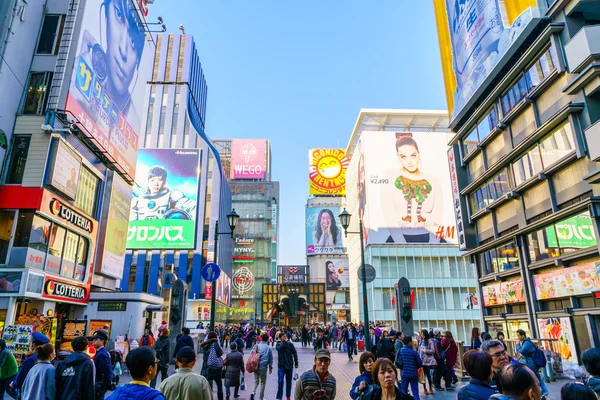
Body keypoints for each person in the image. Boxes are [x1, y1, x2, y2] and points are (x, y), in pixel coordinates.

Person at [131, 165, 197, 221]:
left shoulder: (173, 197)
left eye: (159, 180)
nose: (156, 184)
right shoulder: (137, 201)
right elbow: (131, 224)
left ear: (164, 181)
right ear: (147, 182)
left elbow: (194, 208)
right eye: (152, 180)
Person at [516, 329, 549, 396]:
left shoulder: (527, 343)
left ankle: (542, 392)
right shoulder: (526, 342)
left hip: (531, 365)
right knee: (537, 378)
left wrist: (518, 345)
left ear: (523, 335)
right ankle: (544, 392)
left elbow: (522, 351)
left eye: (519, 335)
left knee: (535, 379)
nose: (518, 337)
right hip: (530, 364)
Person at [201, 331, 225, 400]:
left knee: (206, 386)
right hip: (216, 369)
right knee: (219, 386)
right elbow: (220, 353)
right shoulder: (215, 344)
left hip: (207, 368)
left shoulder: (205, 345)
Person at [276, 332, 299, 400]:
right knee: (280, 381)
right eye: (283, 337)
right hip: (281, 366)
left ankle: (288, 396)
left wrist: (296, 363)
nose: (285, 338)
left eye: (285, 336)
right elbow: (279, 349)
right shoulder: (278, 344)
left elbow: (294, 353)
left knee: (289, 382)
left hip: (289, 366)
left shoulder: (290, 344)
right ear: (280, 338)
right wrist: (283, 342)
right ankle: (279, 397)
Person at [250, 334, 273, 400]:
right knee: (263, 382)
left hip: (255, 366)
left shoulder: (256, 346)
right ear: (267, 339)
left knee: (256, 381)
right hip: (263, 367)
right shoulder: (268, 348)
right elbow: (270, 359)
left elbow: (251, 353)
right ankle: (261, 398)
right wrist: (270, 368)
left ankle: (252, 392)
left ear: (261, 339)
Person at [399, 336, 422, 400]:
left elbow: (397, 362)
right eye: (411, 341)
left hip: (404, 374)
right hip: (413, 373)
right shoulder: (414, 352)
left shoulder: (400, 351)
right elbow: (420, 363)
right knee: (415, 393)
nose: (412, 343)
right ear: (409, 342)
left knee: (403, 392)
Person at [93, 329, 113, 399]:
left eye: (96, 340)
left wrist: (104, 383)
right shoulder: (103, 352)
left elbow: (105, 371)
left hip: (100, 383)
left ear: (102, 341)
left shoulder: (101, 354)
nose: (94, 342)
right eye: (93, 340)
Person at [419, 329, 436, 395]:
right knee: (423, 375)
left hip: (427, 361)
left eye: (423, 334)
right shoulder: (421, 341)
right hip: (421, 360)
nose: (422, 335)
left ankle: (430, 388)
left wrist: (425, 350)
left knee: (428, 374)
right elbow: (419, 350)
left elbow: (432, 351)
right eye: (421, 334)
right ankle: (424, 388)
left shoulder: (429, 341)